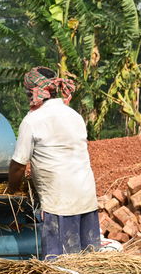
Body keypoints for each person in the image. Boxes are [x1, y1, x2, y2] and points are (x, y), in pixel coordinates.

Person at [6, 67, 101, 258]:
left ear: (33, 93)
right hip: (86, 196)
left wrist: (11, 190)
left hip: (58, 203)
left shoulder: (32, 120)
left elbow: (18, 165)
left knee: (60, 267)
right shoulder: (74, 115)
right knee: (89, 262)